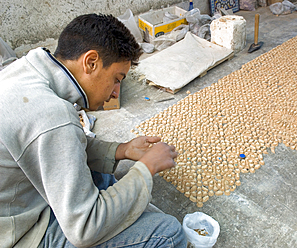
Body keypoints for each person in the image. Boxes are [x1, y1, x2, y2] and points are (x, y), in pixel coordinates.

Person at [0, 13, 187, 248]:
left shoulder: (29, 68)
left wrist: (122, 150)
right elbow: (84, 229)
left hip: (15, 201)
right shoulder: (52, 115)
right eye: (117, 79)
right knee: (168, 234)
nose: (116, 93)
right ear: (90, 62)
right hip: (20, 233)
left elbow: (63, 145)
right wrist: (146, 169)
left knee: (100, 175)